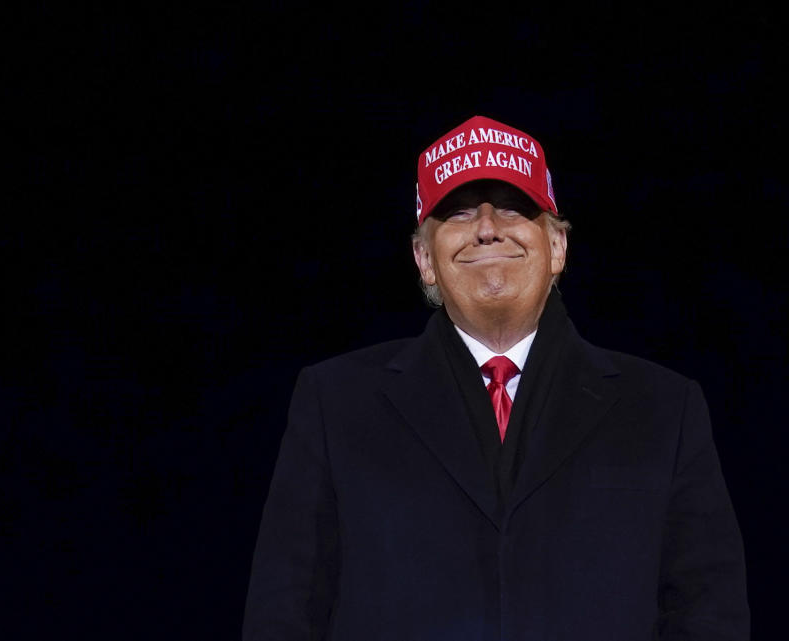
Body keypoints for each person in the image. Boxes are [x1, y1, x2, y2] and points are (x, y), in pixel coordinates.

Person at [243, 115, 749, 640]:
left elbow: (708, 615)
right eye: (458, 212)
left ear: (557, 248)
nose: (487, 225)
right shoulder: (336, 403)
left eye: (513, 207)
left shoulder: (663, 409)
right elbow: (283, 615)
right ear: (424, 259)